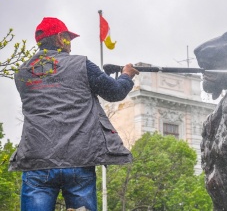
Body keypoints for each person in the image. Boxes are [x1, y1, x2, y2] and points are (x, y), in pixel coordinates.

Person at [8, 17, 139, 210]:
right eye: (69, 38)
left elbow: (51, 85)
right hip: (78, 160)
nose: (71, 45)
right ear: (61, 38)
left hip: (36, 161)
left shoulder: (22, 72)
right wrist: (127, 75)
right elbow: (115, 92)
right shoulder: (81, 65)